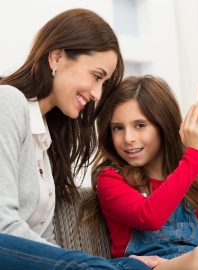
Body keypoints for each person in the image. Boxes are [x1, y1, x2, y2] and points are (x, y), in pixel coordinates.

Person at [0, 9, 165, 270]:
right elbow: (3, 227)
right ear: (56, 57)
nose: (98, 94)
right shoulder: (7, 101)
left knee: (134, 267)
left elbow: (44, 242)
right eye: (96, 76)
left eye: (104, 83)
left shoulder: (45, 140)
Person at [80, 75, 198, 269]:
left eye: (140, 125)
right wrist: (194, 156)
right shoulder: (112, 179)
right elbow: (150, 217)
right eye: (118, 128)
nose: (128, 138)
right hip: (152, 267)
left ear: (164, 126)